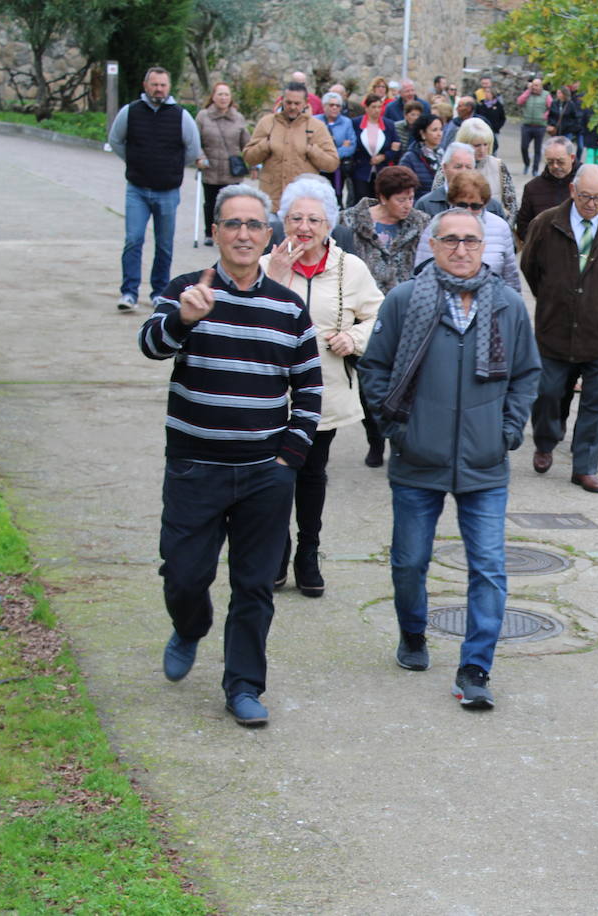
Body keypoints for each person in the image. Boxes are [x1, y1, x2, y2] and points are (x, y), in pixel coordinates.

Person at [138, 184, 321, 727]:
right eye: (233, 224)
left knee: (254, 584)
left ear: (269, 235)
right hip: (195, 466)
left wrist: (290, 456)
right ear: (215, 232)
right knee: (184, 575)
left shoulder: (288, 307)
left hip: (266, 472)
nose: (243, 234)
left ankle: (243, 685)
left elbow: (309, 389)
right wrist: (182, 321)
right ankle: (190, 626)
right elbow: (151, 345)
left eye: (254, 225)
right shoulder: (184, 290)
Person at [358, 208, 541, 709]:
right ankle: (413, 633)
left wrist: (506, 430)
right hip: (418, 459)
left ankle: (475, 667)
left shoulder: (506, 304)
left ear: (486, 249)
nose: (462, 249)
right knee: (410, 561)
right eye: (451, 240)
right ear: (432, 245)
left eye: (472, 241)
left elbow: (527, 374)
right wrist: (398, 429)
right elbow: (373, 368)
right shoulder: (404, 301)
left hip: (484, 464)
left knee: (488, 567)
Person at [260, 177, 384, 596]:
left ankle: (308, 554)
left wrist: (354, 339)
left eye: (315, 219)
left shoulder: (351, 268)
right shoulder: (265, 266)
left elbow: (379, 317)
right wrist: (274, 278)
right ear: (283, 221)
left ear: (330, 223)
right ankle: (277, 550)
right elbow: (246, 319)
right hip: (268, 394)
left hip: (324, 391)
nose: (305, 227)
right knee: (275, 476)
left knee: (312, 474)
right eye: (296, 218)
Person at [520, 163, 598, 494]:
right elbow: (529, 266)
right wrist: (552, 298)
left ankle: (584, 467)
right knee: (547, 394)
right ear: (573, 191)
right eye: (586, 196)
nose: (591, 204)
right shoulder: (546, 224)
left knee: (595, 403)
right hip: (554, 330)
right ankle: (545, 442)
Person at [343, 166, 428, 467]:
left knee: (405, 381)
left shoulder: (420, 223)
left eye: (411, 197)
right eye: (401, 199)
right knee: (369, 385)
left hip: (408, 315)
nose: (408, 204)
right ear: (382, 197)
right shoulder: (352, 223)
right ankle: (375, 437)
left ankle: (399, 438)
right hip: (364, 317)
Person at [107, 66, 206, 310]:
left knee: (164, 244)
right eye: (154, 84)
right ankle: (129, 293)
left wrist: (171, 167)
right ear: (146, 86)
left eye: (163, 84)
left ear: (169, 87)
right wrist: (135, 161)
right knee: (133, 239)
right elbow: (115, 141)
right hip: (137, 189)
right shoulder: (130, 112)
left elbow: (193, 150)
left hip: (167, 191)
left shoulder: (181, 116)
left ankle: (159, 292)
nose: (158, 89)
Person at [415, 170, 520, 292]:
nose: (468, 211)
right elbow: (421, 272)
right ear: (452, 202)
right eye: (462, 205)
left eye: (475, 206)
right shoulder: (436, 225)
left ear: (484, 204)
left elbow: (511, 277)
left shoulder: (500, 227)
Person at [243, 82, 339, 208]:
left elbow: (332, 163)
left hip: (303, 204)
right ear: (282, 101)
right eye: (288, 102)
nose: (292, 107)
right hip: (271, 202)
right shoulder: (266, 123)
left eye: (297, 103)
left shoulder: (317, 127)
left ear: (305, 103)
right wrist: (266, 144)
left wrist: (311, 149)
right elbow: (249, 158)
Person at [430, 117, 517, 222]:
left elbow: (512, 206)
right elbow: (435, 200)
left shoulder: (498, 166)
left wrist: (504, 228)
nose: (482, 150)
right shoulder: (448, 166)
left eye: (486, 144)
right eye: (477, 145)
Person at [194, 82, 248, 248]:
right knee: (210, 203)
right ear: (213, 97)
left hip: (232, 171)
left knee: (231, 205)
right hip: (210, 168)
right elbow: (196, 141)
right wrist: (200, 157)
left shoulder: (238, 118)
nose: (223, 98)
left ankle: (230, 234)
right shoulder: (203, 116)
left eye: (226, 95)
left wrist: (254, 164)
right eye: (220, 94)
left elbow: (246, 143)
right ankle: (209, 233)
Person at [412, 142, 508, 220]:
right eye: (458, 167)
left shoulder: (493, 207)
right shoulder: (426, 205)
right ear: (445, 168)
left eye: (468, 167)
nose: (463, 171)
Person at [514, 136, 576, 242]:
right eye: (550, 162)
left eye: (560, 162)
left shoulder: (587, 182)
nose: (555, 166)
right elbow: (523, 224)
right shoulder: (532, 188)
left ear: (572, 157)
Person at [347, 94, 401, 206]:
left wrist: (384, 156)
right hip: (360, 171)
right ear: (366, 108)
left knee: (380, 201)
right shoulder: (355, 123)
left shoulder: (389, 125)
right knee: (361, 202)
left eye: (379, 107)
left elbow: (397, 147)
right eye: (373, 107)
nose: (377, 110)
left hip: (382, 171)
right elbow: (351, 144)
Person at [316, 91, 357, 206]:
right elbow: (313, 144)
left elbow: (352, 145)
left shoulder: (346, 122)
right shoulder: (315, 121)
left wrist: (331, 155)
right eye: (331, 105)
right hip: (319, 168)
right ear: (324, 106)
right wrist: (341, 147)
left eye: (337, 105)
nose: (334, 108)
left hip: (338, 168)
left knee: (337, 197)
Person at [399, 113, 444, 198]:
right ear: (422, 133)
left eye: (441, 129)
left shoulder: (445, 155)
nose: (439, 134)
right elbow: (403, 189)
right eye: (434, 130)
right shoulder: (409, 158)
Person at [517, 78, 551, 176]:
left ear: (541, 86)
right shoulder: (528, 94)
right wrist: (528, 91)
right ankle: (527, 163)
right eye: (533, 85)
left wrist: (546, 115)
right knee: (524, 147)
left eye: (536, 85)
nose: (534, 87)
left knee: (537, 149)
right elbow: (519, 102)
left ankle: (535, 170)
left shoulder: (546, 95)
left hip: (540, 126)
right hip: (527, 125)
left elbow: (551, 107)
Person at [547, 86, 584, 158]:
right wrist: (551, 124)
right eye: (557, 92)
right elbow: (551, 116)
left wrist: (570, 127)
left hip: (567, 131)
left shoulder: (570, 104)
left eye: (560, 93)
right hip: (556, 131)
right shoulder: (554, 103)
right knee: (556, 148)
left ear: (564, 94)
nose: (558, 94)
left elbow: (574, 118)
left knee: (565, 149)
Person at [476, 85, 507, 152]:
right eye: (485, 92)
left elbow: (503, 118)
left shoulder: (498, 105)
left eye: (488, 92)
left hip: (494, 132)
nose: (486, 94)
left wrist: (497, 127)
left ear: (493, 94)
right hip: (481, 131)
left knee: (493, 150)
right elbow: (476, 116)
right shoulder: (480, 104)